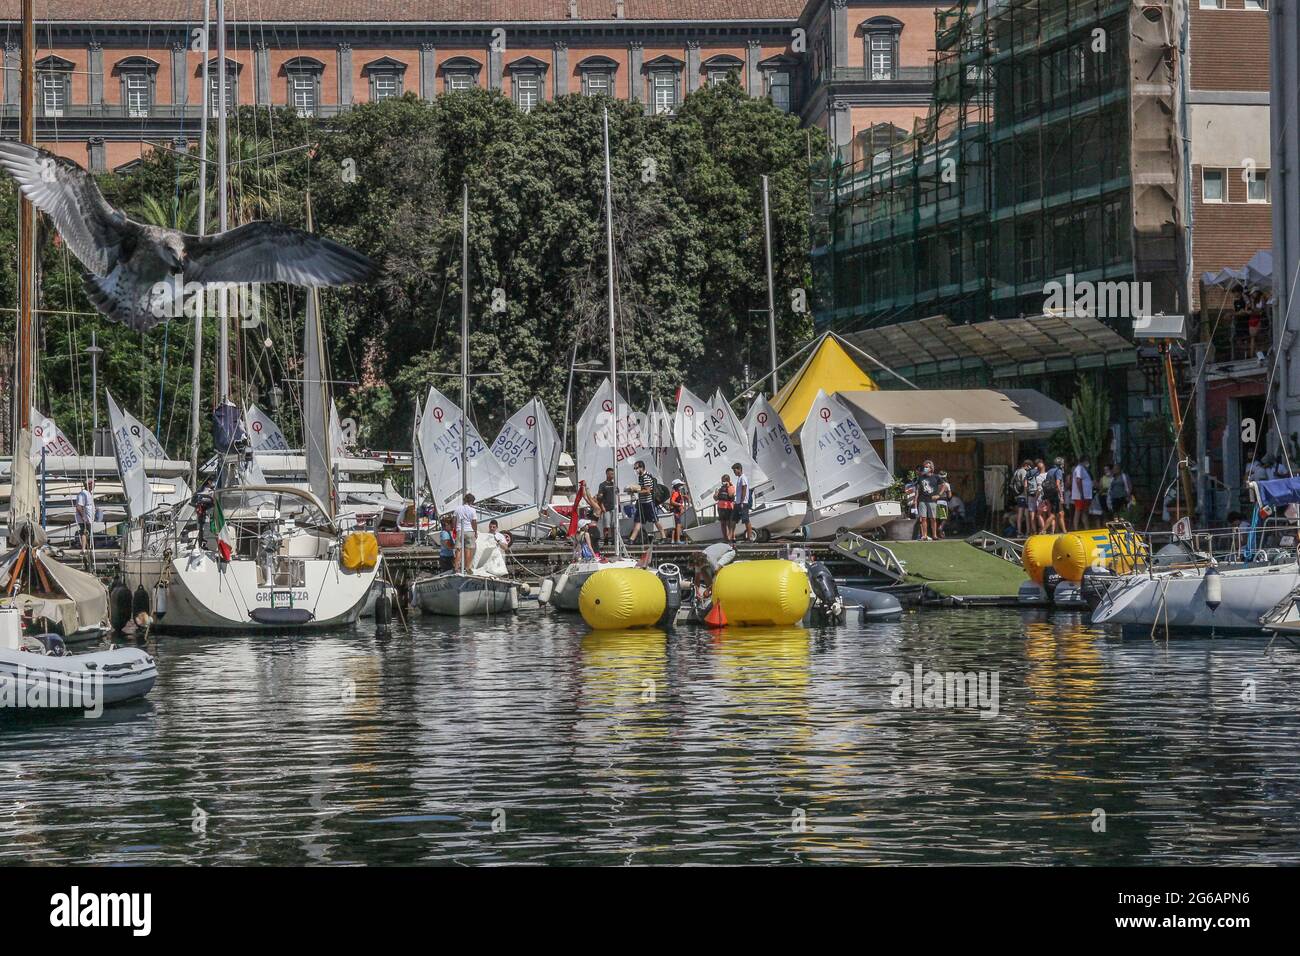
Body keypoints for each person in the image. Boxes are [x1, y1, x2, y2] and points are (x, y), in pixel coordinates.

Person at [626, 460, 660, 545]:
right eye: (634, 468)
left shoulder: (646, 477)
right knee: (637, 521)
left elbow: (647, 491)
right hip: (641, 503)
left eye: (636, 468)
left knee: (655, 520)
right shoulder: (640, 477)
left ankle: (663, 536)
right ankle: (631, 539)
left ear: (641, 467)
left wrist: (635, 490)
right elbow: (642, 489)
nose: (635, 470)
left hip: (648, 502)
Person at [453, 493, 478, 572]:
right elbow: (474, 522)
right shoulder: (473, 510)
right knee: (468, 550)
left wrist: (454, 528)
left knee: (458, 549)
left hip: (460, 530)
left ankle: (456, 568)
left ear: (464, 500)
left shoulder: (457, 509)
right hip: (469, 531)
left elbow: (454, 520)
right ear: (472, 501)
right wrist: (475, 531)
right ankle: (467, 568)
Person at [594, 467, 619, 545]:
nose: (613, 475)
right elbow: (599, 497)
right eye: (611, 474)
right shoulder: (602, 485)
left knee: (614, 525)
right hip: (606, 508)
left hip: (614, 508)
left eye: (613, 474)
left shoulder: (614, 484)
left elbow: (617, 495)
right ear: (607, 474)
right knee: (606, 525)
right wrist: (602, 507)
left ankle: (614, 540)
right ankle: (606, 539)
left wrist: (618, 505)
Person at [915, 461, 939, 540]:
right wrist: (916, 500)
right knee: (924, 518)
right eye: (924, 467)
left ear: (931, 468)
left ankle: (934, 535)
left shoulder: (936, 477)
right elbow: (918, 489)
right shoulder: (921, 477)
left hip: (932, 500)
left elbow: (944, 485)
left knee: (933, 518)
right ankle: (924, 535)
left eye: (927, 467)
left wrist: (939, 495)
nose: (925, 468)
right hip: (922, 499)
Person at [731, 462, 753, 542]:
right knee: (733, 520)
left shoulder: (743, 478)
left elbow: (744, 488)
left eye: (734, 471)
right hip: (737, 503)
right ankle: (732, 537)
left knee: (746, 520)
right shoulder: (739, 478)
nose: (734, 472)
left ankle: (750, 537)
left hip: (743, 503)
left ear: (739, 469)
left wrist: (742, 501)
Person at [1070, 456, 1093, 530]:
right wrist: (1081, 493)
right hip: (1080, 495)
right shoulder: (1079, 468)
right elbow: (1078, 480)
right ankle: (1076, 529)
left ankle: (1087, 528)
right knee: (1078, 511)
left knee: (1084, 511)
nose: (1088, 463)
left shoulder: (1083, 469)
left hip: (1085, 495)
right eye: (1087, 461)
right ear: (1084, 461)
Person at [1011, 459, 1032, 536]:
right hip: (1024, 495)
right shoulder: (1023, 471)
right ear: (1026, 465)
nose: (1030, 468)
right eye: (1029, 466)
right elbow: (1025, 484)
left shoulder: (1016, 471)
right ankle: (1028, 531)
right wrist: (1027, 495)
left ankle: (1019, 532)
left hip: (1018, 495)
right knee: (1026, 514)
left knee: (1020, 514)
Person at [75, 478, 96, 551]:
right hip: (84, 518)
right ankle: (83, 549)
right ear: (89, 484)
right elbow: (79, 506)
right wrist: (83, 516)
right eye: (93, 483)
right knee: (84, 532)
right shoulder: (83, 494)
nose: (94, 484)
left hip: (88, 518)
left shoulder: (89, 493)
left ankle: (86, 547)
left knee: (87, 532)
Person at [714, 474, 736, 542]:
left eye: (724, 481)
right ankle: (725, 538)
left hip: (728, 507)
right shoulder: (720, 488)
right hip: (721, 508)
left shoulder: (731, 487)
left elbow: (730, 495)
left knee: (729, 523)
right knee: (723, 523)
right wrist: (716, 494)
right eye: (722, 481)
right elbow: (715, 498)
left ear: (728, 481)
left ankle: (731, 537)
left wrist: (728, 486)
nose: (723, 482)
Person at [935, 471, 953, 538]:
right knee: (945, 518)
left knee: (937, 518)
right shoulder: (946, 484)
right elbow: (949, 496)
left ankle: (937, 533)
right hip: (943, 501)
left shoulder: (935, 484)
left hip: (935, 502)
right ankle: (940, 527)